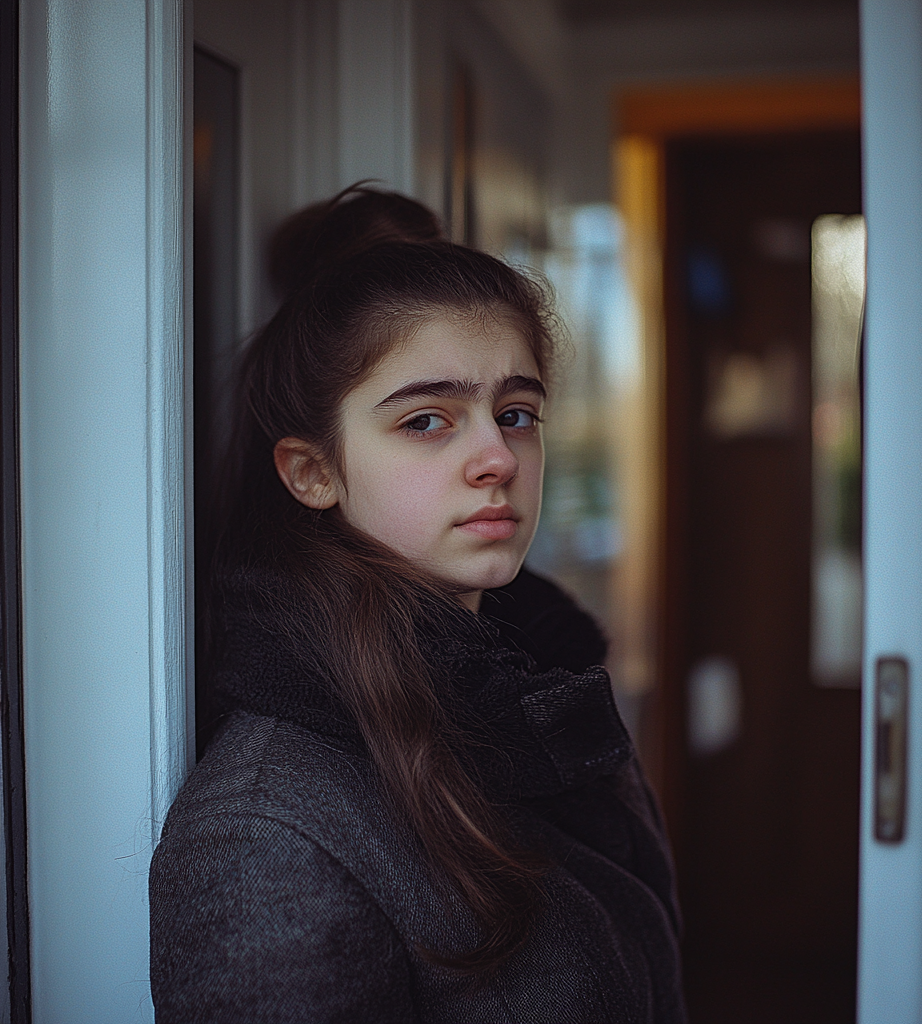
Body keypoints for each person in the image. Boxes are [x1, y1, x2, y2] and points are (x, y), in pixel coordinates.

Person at [149, 185, 686, 1023]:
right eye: (428, 421)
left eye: (515, 413)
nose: (496, 458)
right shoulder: (267, 833)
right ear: (312, 472)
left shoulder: (545, 688)